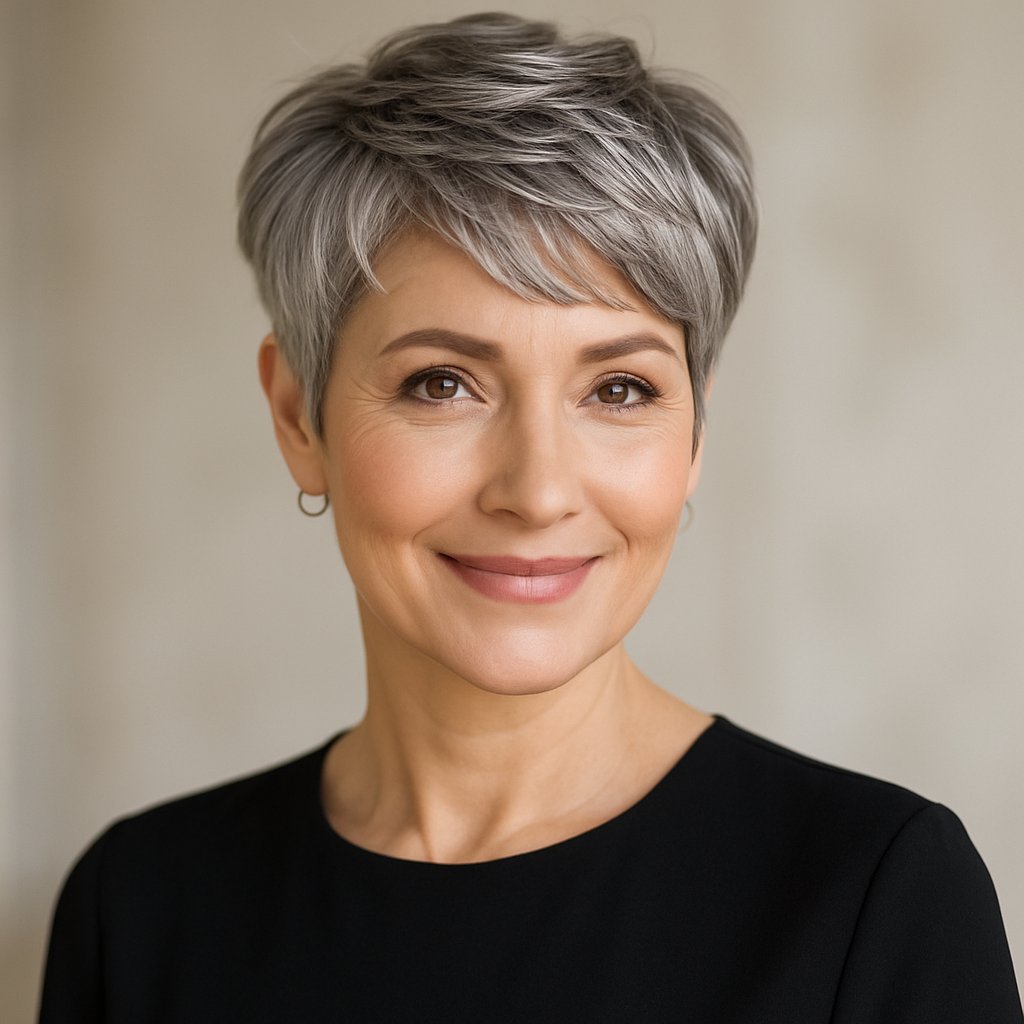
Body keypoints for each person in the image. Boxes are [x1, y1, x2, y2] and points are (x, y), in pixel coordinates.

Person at [38, 12, 1021, 1023]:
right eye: (441, 383)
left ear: (695, 432)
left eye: (621, 390)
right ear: (299, 416)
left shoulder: (877, 897)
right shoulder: (141, 908)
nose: (538, 488)